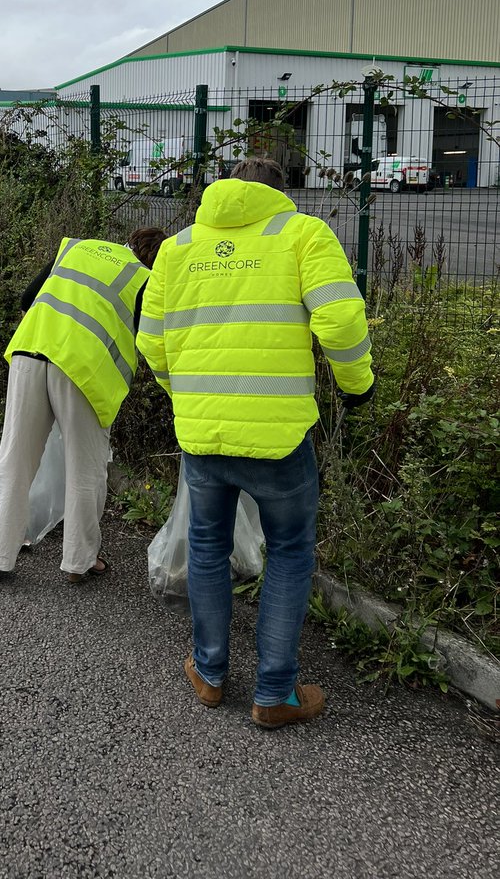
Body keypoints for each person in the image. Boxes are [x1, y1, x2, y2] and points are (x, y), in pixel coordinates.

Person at [136, 158, 374, 730]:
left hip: (203, 433)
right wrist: (356, 387)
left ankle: (210, 674)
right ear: (278, 191)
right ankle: (274, 693)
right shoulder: (302, 234)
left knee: (208, 545)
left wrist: (186, 394)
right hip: (279, 435)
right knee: (289, 552)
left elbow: (151, 341)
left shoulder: (178, 247)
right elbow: (340, 323)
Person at [0, 226, 166, 585]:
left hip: (29, 353)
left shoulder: (76, 249)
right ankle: (80, 562)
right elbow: (149, 335)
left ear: (128, 241)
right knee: (86, 468)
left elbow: (27, 298)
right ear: (157, 258)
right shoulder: (144, 278)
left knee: (14, 456)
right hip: (83, 370)